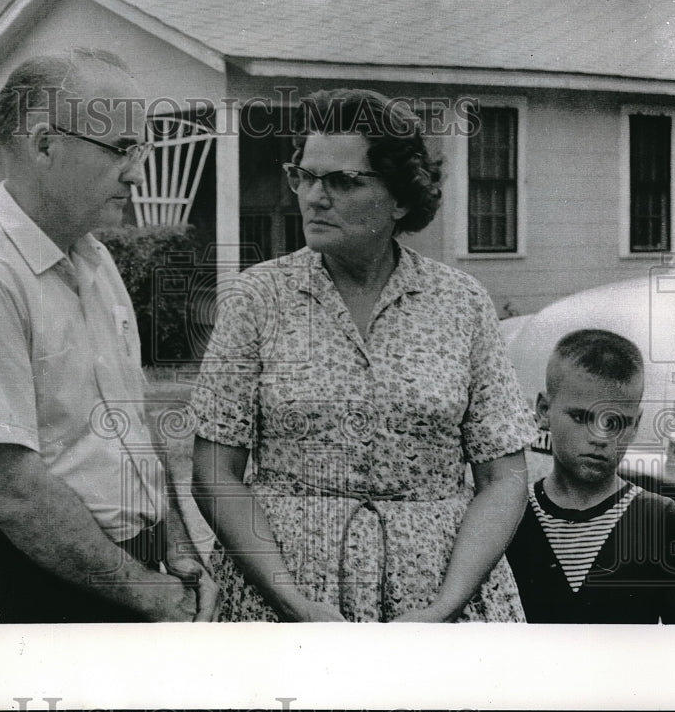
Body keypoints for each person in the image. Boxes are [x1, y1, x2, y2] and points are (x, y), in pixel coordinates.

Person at [190, 88, 536, 622]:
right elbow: (215, 471)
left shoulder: (461, 303)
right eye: (303, 175)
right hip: (282, 595)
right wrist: (293, 602)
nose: (313, 196)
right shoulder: (258, 299)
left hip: (439, 598)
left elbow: (503, 478)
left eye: (342, 182)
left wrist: (444, 607)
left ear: (400, 197)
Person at [0, 49, 215, 623]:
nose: (137, 172)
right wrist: (153, 597)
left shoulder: (94, 261)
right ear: (44, 145)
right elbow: (13, 491)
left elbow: (132, 425)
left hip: (119, 578)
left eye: (141, 148)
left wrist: (175, 549)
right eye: (121, 148)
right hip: (29, 593)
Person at [506, 329, 675, 623]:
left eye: (615, 422)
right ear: (544, 411)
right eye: (581, 417)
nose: (600, 437)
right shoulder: (511, 516)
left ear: (635, 424)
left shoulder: (661, 519)